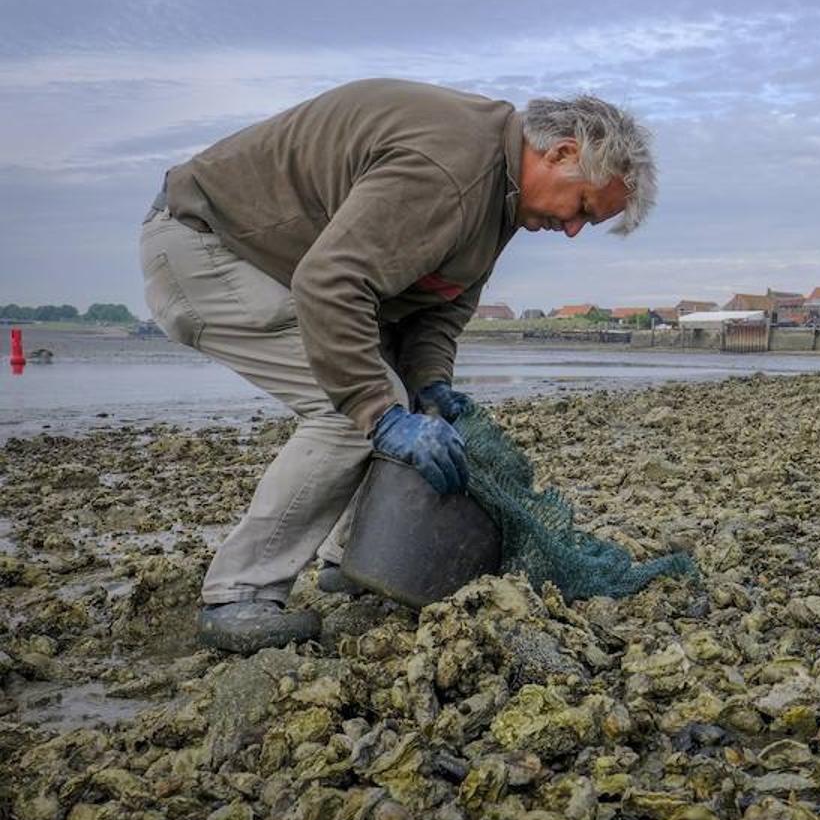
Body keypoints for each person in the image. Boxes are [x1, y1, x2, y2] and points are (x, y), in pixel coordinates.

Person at [139, 79, 655, 653]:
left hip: (282, 266)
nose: (574, 230)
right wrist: (378, 410)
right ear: (560, 153)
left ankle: (353, 560)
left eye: (591, 222)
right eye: (582, 206)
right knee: (356, 411)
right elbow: (329, 282)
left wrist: (431, 383)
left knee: (400, 399)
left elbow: (441, 307)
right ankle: (238, 592)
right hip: (204, 246)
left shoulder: (501, 197)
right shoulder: (453, 170)